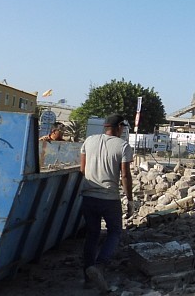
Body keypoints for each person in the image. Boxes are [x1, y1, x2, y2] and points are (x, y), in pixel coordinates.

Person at [79, 114, 136, 291]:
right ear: (119, 127)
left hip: (88, 196)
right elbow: (125, 175)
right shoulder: (123, 146)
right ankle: (100, 266)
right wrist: (130, 200)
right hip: (110, 198)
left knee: (92, 234)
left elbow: (82, 168)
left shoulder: (89, 141)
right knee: (115, 232)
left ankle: (87, 276)